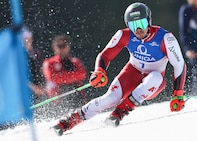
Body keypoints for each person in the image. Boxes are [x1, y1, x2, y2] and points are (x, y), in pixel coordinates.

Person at [52, 2, 187, 136]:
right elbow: (105, 55)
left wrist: (178, 93)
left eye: (142, 24)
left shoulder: (165, 38)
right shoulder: (124, 35)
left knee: (156, 77)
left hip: (153, 82)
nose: (138, 29)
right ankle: (68, 122)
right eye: (133, 25)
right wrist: (99, 71)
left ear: (149, 21)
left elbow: (179, 64)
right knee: (109, 99)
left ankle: (119, 113)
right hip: (131, 73)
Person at [42, 34, 87, 113]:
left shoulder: (75, 61)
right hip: (59, 100)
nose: (62, 48)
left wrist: (64, 76)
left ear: (68, 46)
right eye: (59, 46)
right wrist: (73, 76)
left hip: (78, 97)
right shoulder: (49, 63)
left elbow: (83, 74)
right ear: (54, 47)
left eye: (64, 45)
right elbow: (52, 78)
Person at [22, 26, 47, 100]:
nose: (27, 40)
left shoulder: (37, 53)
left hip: (40, 89)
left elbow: (43, 69)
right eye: (25, 38)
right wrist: (34, 88)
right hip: (28, 91)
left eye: (28, 37)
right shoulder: (20, 56)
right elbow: (20, 76)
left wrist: (44, 86)